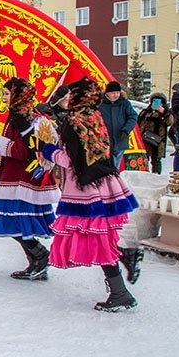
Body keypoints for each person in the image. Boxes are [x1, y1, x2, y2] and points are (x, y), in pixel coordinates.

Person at [40, 77, 139, 311]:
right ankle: (123, 267)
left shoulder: (73, 122)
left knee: (92, 236)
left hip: (84, 190)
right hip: (105, 183)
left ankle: (121, 285)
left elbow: (71, 160)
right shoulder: (95, 117)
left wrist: (49, 151)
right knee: (99, 235)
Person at [0, 78, 61, 280]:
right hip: (17, 179)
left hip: (21, 180)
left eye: (7, 94)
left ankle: (40, 257)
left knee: (17, 221)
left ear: (18, 95)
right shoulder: (20, 115)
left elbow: (23, 150)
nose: (4, 98)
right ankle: (35, 261)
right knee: (16, 222)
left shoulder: (23, 118)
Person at [97, 80, 137, 170]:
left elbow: (133, 117)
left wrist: (126, 130)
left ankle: (115, 179)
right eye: (113, 93)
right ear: (107, 93)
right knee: (107, 164)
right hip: (104, 139)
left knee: (116, 165)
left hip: (120, 138)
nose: (115, 95)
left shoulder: (125, 103)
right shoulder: (100, 103)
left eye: (117, 93)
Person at [137, 92, 174, 174]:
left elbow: (170, 122)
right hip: (144, 139)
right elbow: (138, 122)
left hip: (157, 141)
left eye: (159, 101)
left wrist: (163, 112)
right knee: (143, 160)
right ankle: (143, 176)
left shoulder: (166, 113)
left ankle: (156, 177)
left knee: (156, 161)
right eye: (154, 101)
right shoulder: (145, 111)